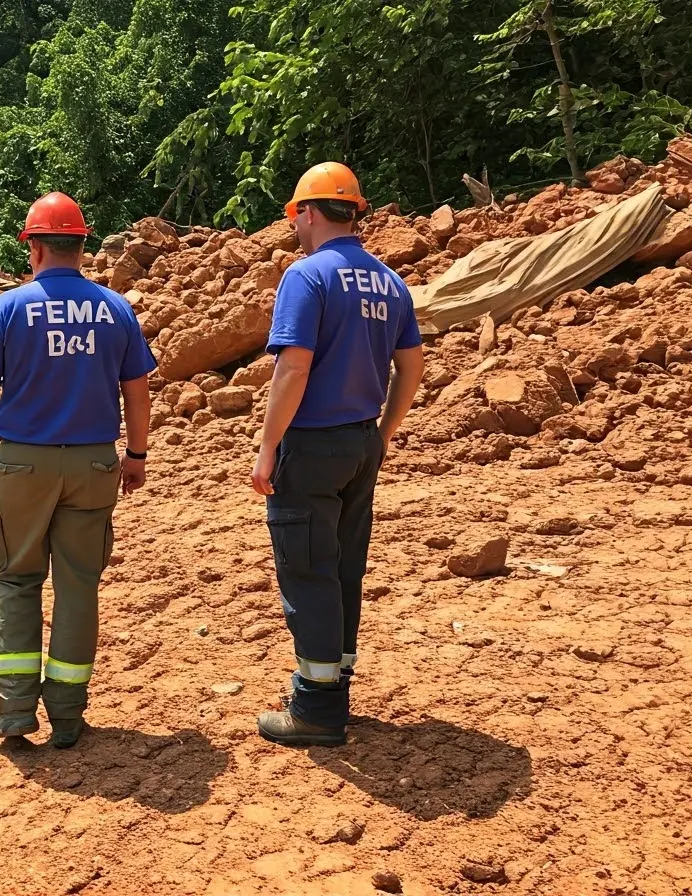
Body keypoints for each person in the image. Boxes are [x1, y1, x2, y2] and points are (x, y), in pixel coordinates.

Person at [0, 192, 156, 748]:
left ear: (35, 246)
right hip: (94, 462)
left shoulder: (8, 308)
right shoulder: (115, 309)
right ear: (82, 245)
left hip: (23, 464)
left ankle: (16, 712)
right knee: (78, 586)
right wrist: (135, 455)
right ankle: (67, 713)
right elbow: (136, 392)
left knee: (18, 580)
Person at [250, 162, 425, 747]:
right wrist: (384, 433)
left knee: (307, 568)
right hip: (360, 441)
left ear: (308, 211)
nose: (293, 226)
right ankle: (337, 677)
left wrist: (267, 445)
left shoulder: (307, 277)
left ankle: (318, 707)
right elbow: (412, 368)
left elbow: (293, 367)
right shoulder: (388, 281)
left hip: (314, 443)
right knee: (345, 564)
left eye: (294, 215)